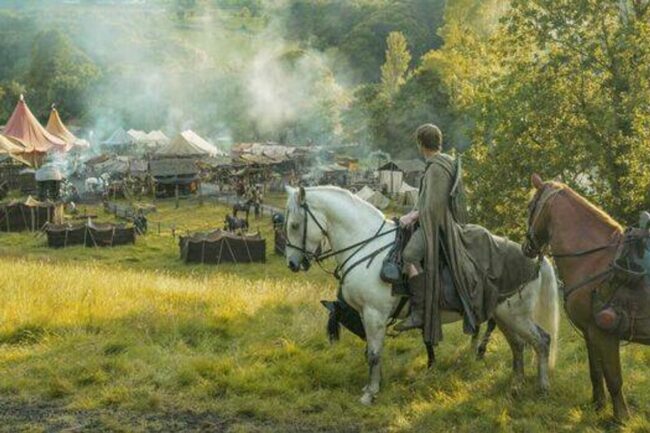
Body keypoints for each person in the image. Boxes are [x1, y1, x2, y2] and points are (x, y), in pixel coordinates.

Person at [394, 124, 469, 334]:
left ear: (421, 144)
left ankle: (419, 311)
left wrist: (412, 216)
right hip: (433, 220)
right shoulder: (444, 162)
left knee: (409, 256)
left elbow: (434, 206)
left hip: (436, 225)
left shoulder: (436, 168)